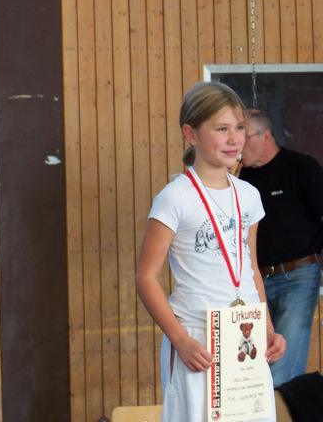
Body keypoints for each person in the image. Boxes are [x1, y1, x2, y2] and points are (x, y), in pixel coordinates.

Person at [136, 81, 286, 422]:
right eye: (221, 129)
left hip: (245, 333)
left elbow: (249, 268)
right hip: (198, 339)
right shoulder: (175, 197)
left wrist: (267, 328)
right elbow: (146, 277)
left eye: (239, 128)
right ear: (191, 134)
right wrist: (180, 340)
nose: (234, 139)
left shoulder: (248, 195)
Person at [236, 108, 323, 387]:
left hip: (297, 275)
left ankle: (282, 408)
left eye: (244, 137)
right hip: (253, 280)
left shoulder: (301, 167)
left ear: (265, 136)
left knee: (282, 364)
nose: (238, 145)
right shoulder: (239, 179)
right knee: (252, 363)